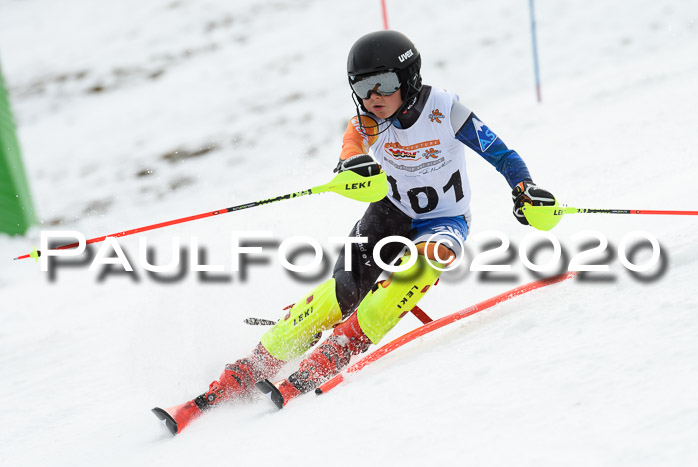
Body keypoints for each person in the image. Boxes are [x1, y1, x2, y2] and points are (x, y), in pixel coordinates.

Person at [152, 30, 556, 434]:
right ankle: (250, 368)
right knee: (343, 292)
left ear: (409, 78)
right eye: (362, 87)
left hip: (444, 222)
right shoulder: (366, 121)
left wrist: (524, 189)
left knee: (404, 281)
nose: (372, 96)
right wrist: (352, 165)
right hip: (389, 214)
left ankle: (337, 349)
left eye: (383, 84)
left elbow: (501, 153)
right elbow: (351, 147)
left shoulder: (445, 109)